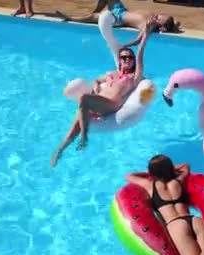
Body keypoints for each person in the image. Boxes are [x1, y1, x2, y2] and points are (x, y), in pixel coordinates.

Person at [49, 20, 155, 168]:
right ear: (119, 61)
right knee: (73, 127)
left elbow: (140, 56)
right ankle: (59, 151)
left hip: (111, 105)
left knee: (84, 98)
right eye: (123, 57)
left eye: (129, 58)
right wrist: (96, 87)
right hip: (97, 102)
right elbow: (97, 80)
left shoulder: (133, 77)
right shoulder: (111, 73)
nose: (127, 60)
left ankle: (84, 138)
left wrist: (145, 37)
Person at [54, 0, 181, 36]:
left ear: (160, 25)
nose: (158, 15)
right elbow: (176, 22)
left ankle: (70, 18)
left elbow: (143, 34)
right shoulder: (154, 18)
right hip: (122, 11)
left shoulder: (148, 24)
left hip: (117, 18)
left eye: (160, 18)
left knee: (93, 17)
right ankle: (97, 9)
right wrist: (174, 24)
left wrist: (151, 27)